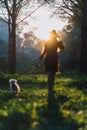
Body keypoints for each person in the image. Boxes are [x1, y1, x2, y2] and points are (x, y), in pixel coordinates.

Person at [39, 29, 64, 94]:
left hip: (48, 58)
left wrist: (40, 58)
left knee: (50, 73)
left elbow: (44, 52)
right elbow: (62, 48)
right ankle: (51, 87)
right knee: (52, 73)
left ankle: (50, 87)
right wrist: (60, 39)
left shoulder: (47, 42)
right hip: (54, 58)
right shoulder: (57, 42)